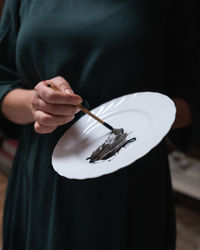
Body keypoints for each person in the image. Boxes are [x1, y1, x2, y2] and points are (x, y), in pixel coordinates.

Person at [0, 0, 199, 249]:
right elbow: (3, 84)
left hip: (129, 183)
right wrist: (35, 104)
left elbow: (194, 96)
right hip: (43, 178)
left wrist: (139, 115)